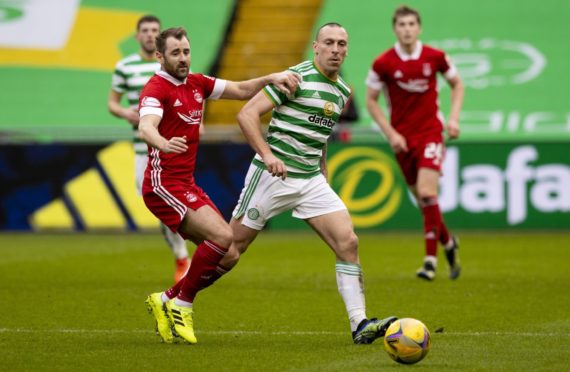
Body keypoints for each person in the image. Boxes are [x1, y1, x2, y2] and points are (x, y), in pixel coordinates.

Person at [211, 23, 396, 345]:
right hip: (273, 176)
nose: (336, 49)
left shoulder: (342, 92)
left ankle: (360, 324)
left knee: (348, 243)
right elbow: (246, 115)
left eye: (341, 43)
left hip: (309, 180)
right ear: (316, 46)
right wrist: (268, 155)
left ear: (347, 49)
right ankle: (178, 296)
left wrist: (322, 168)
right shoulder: (294, 78)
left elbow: (319, 131)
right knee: (231, 252)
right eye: (329, 43)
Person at [140, 27, 301, 344]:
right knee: (224, 235)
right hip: (162, 185)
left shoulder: (197, 83)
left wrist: (270, 77)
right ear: (160, 57)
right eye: (176, 53)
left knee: (228, 255)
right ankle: (183, 305)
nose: (183, 58)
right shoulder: (156, 89)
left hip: (185, 183)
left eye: (186, 51)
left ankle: (167, 298)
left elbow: (241, 90)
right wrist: (161, 142)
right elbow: (146, 126)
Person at [365, 5, 464, 281]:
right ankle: (448, 242)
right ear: (395, 29)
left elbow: (458, 84)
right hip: (402, 139)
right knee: (424, 202)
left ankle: (430, 261)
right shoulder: (383, 63)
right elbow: (370, 100)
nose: (407, 29)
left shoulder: (436, 57)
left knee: (426, 193)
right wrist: (391, 134)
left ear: (419, 28)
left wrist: (453, 119)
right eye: (402, 25)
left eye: (411, 24)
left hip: (431, 132)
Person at [107, 15, 191, 282]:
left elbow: (189, 92)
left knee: (173, 200)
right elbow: (112, 103)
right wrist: (125, 113)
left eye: (154, 30)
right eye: (144, 30)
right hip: (143, 149)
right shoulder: (125, 67)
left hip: (173, 147)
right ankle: (183, 253)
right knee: (157, 204)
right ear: (137, 35)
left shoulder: (169, 65)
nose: (149, 34)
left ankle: (183, 258)